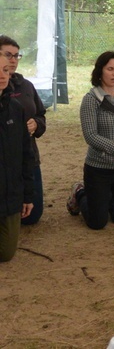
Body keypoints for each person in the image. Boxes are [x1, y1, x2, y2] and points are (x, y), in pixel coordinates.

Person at [68, 51, 114, 229]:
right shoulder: (91, 99)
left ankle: (105, 198)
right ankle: (80, 193)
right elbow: (91, 135)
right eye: (110, 69)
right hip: (99, 168)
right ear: (100, 71)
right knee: (97, 223)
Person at [0, 36, 46, 225]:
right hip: (5, 161)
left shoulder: (26, 86)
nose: (13, 60)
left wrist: (36, 124)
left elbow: (41, 115)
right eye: (8, 55)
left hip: (27, 156)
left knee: (33, 216)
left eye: (16, 56)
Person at [0, 55, 34, 262]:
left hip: (10, 195)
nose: (2, 76)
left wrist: (27, 195)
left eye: (5, 70)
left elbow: (26, 154)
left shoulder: (16, 108)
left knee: (6, 253)